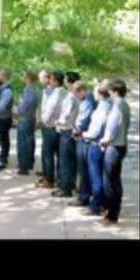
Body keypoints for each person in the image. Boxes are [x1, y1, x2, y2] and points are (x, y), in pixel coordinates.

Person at [79, 80, 113, 215]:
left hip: (95, 144)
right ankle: (103, 203)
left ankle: (96, 205)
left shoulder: (102, 108)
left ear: (100, 93)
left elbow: (94, 130)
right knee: (102, 176)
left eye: (94, 91)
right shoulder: (109, 106)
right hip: (103, 145)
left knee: (96, 177)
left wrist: (84, 134)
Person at [100, 79, 131, 225]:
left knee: (110, 182)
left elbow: (112, 127)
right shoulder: (124, 105)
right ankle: (112, 211)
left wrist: (105, 140)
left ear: (115, 91)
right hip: (121, 145)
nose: (109, 92)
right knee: (115, 181)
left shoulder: (118, 106)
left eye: (110, 90)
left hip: (114, 146)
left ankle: (111, 215)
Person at [51, 70, 81, 198]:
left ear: (69, 82)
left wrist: (58, 122)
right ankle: (71, 183)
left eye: (66, 80)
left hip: (66, 131)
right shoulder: (78, 96)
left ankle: (65, 188)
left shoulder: (70, 96)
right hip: (73, 130)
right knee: (72, 161)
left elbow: (66, 114)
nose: (64, 81)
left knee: (65, 161)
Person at [36, 71, 66, 189]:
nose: (49, 81)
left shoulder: (55, 94)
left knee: (47, 154)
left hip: (50, 126)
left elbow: (49, 110)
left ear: (55, 81)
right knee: (59, 155)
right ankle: (59, 178)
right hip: (59, 126)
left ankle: (48, 180)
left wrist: (41, 121)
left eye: (51, 79)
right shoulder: (65, 92)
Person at [68, 81, 97, 207]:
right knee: (85, 170)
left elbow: (82, 122)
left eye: (76, 94)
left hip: (84, 139)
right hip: (85, 138)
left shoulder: (87, 102)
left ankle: (83, 197)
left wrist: (75, 130)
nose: (76, 97)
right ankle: (86, 195)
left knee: (83, 170)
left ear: (82, 91)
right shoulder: (88, 100)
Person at [14, 70, 39, 175]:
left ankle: (23, 166)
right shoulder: (37, 90)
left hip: (25, 118)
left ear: (29, 78)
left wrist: (16, 111)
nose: (24, 79)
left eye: (25, 77)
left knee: (23, 143)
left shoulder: (29, 90)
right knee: (30, 141)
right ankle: (29, 163)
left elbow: (25, 104)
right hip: (31, 117)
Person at [35, 69, 53, 177]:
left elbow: (48, 109)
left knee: (47, 151)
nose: (40, 80)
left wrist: (41, 120)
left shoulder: (50, 91)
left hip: (48, 124)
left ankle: (48, 174)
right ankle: (45, 171)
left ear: (47, 78)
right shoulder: (45, 90)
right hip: (44, 122)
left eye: (41, 77)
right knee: (45, 149)